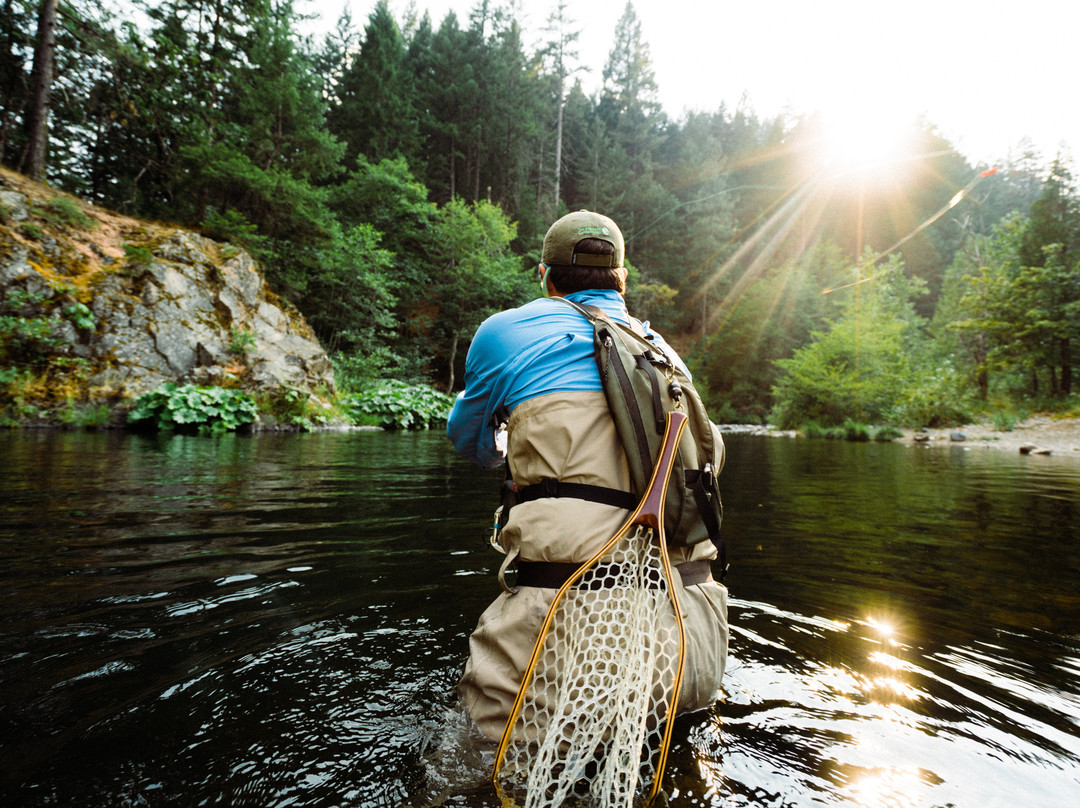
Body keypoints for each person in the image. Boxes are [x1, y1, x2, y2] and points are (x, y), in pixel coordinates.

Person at [446, 210, 729, 742]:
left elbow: (470, 442)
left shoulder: (505, 332)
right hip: (695, 638)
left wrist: (517, 447)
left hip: (572, 638)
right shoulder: (667, 356)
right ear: (622, 280)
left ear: (545, 277)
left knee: (470, 766)